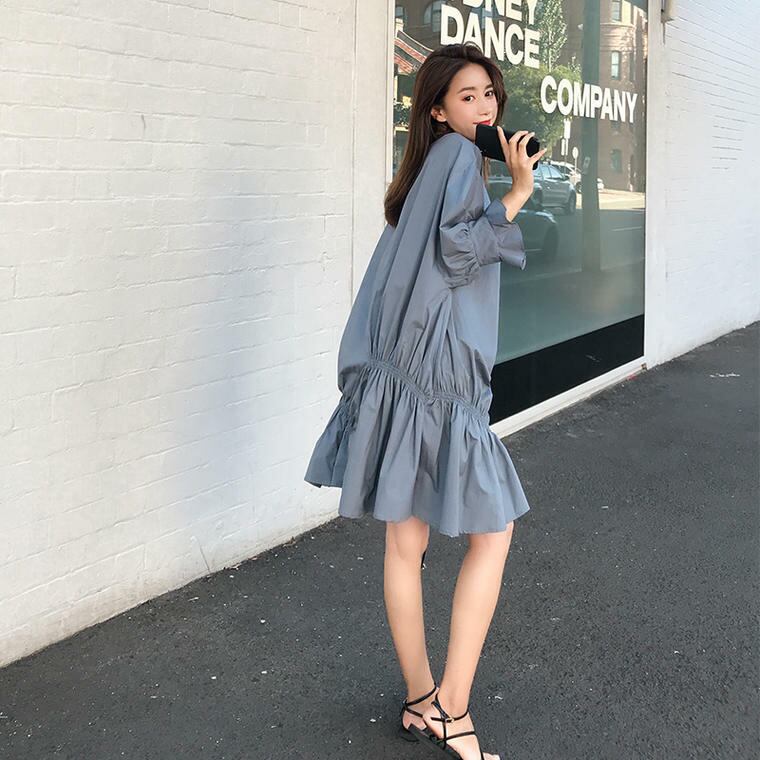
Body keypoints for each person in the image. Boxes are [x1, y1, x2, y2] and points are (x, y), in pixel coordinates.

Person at [304, 42, 545, 760]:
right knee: (493, 533)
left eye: (490, 94)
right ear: (437, 110)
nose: (485, 106)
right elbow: (461, 252)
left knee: (405, 543)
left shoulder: (430, 164)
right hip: (436, 377)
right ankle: (453, 710)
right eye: (468, 96)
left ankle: (421, 701)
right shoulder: (457, 158)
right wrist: (519, 191)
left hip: (403, 371)